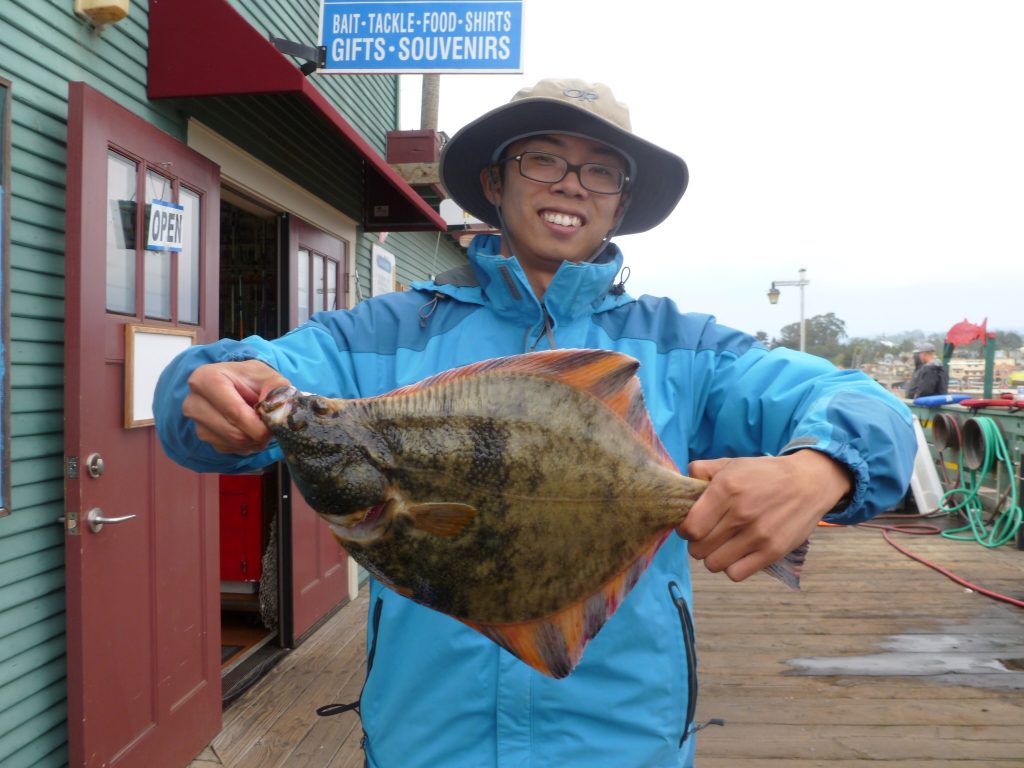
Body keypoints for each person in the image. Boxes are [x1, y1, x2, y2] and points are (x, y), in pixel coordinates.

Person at [154, 78, 916, 768]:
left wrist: (820, 468)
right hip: (427, 743)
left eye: (599, 170)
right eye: (542, 160)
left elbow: (871, 407)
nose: (571, 186)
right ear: (495, 180)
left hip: (623, 745)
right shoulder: (382, 336)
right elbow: (248, 385)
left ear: (620, 200)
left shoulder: (686, 348)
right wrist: (203, 387)